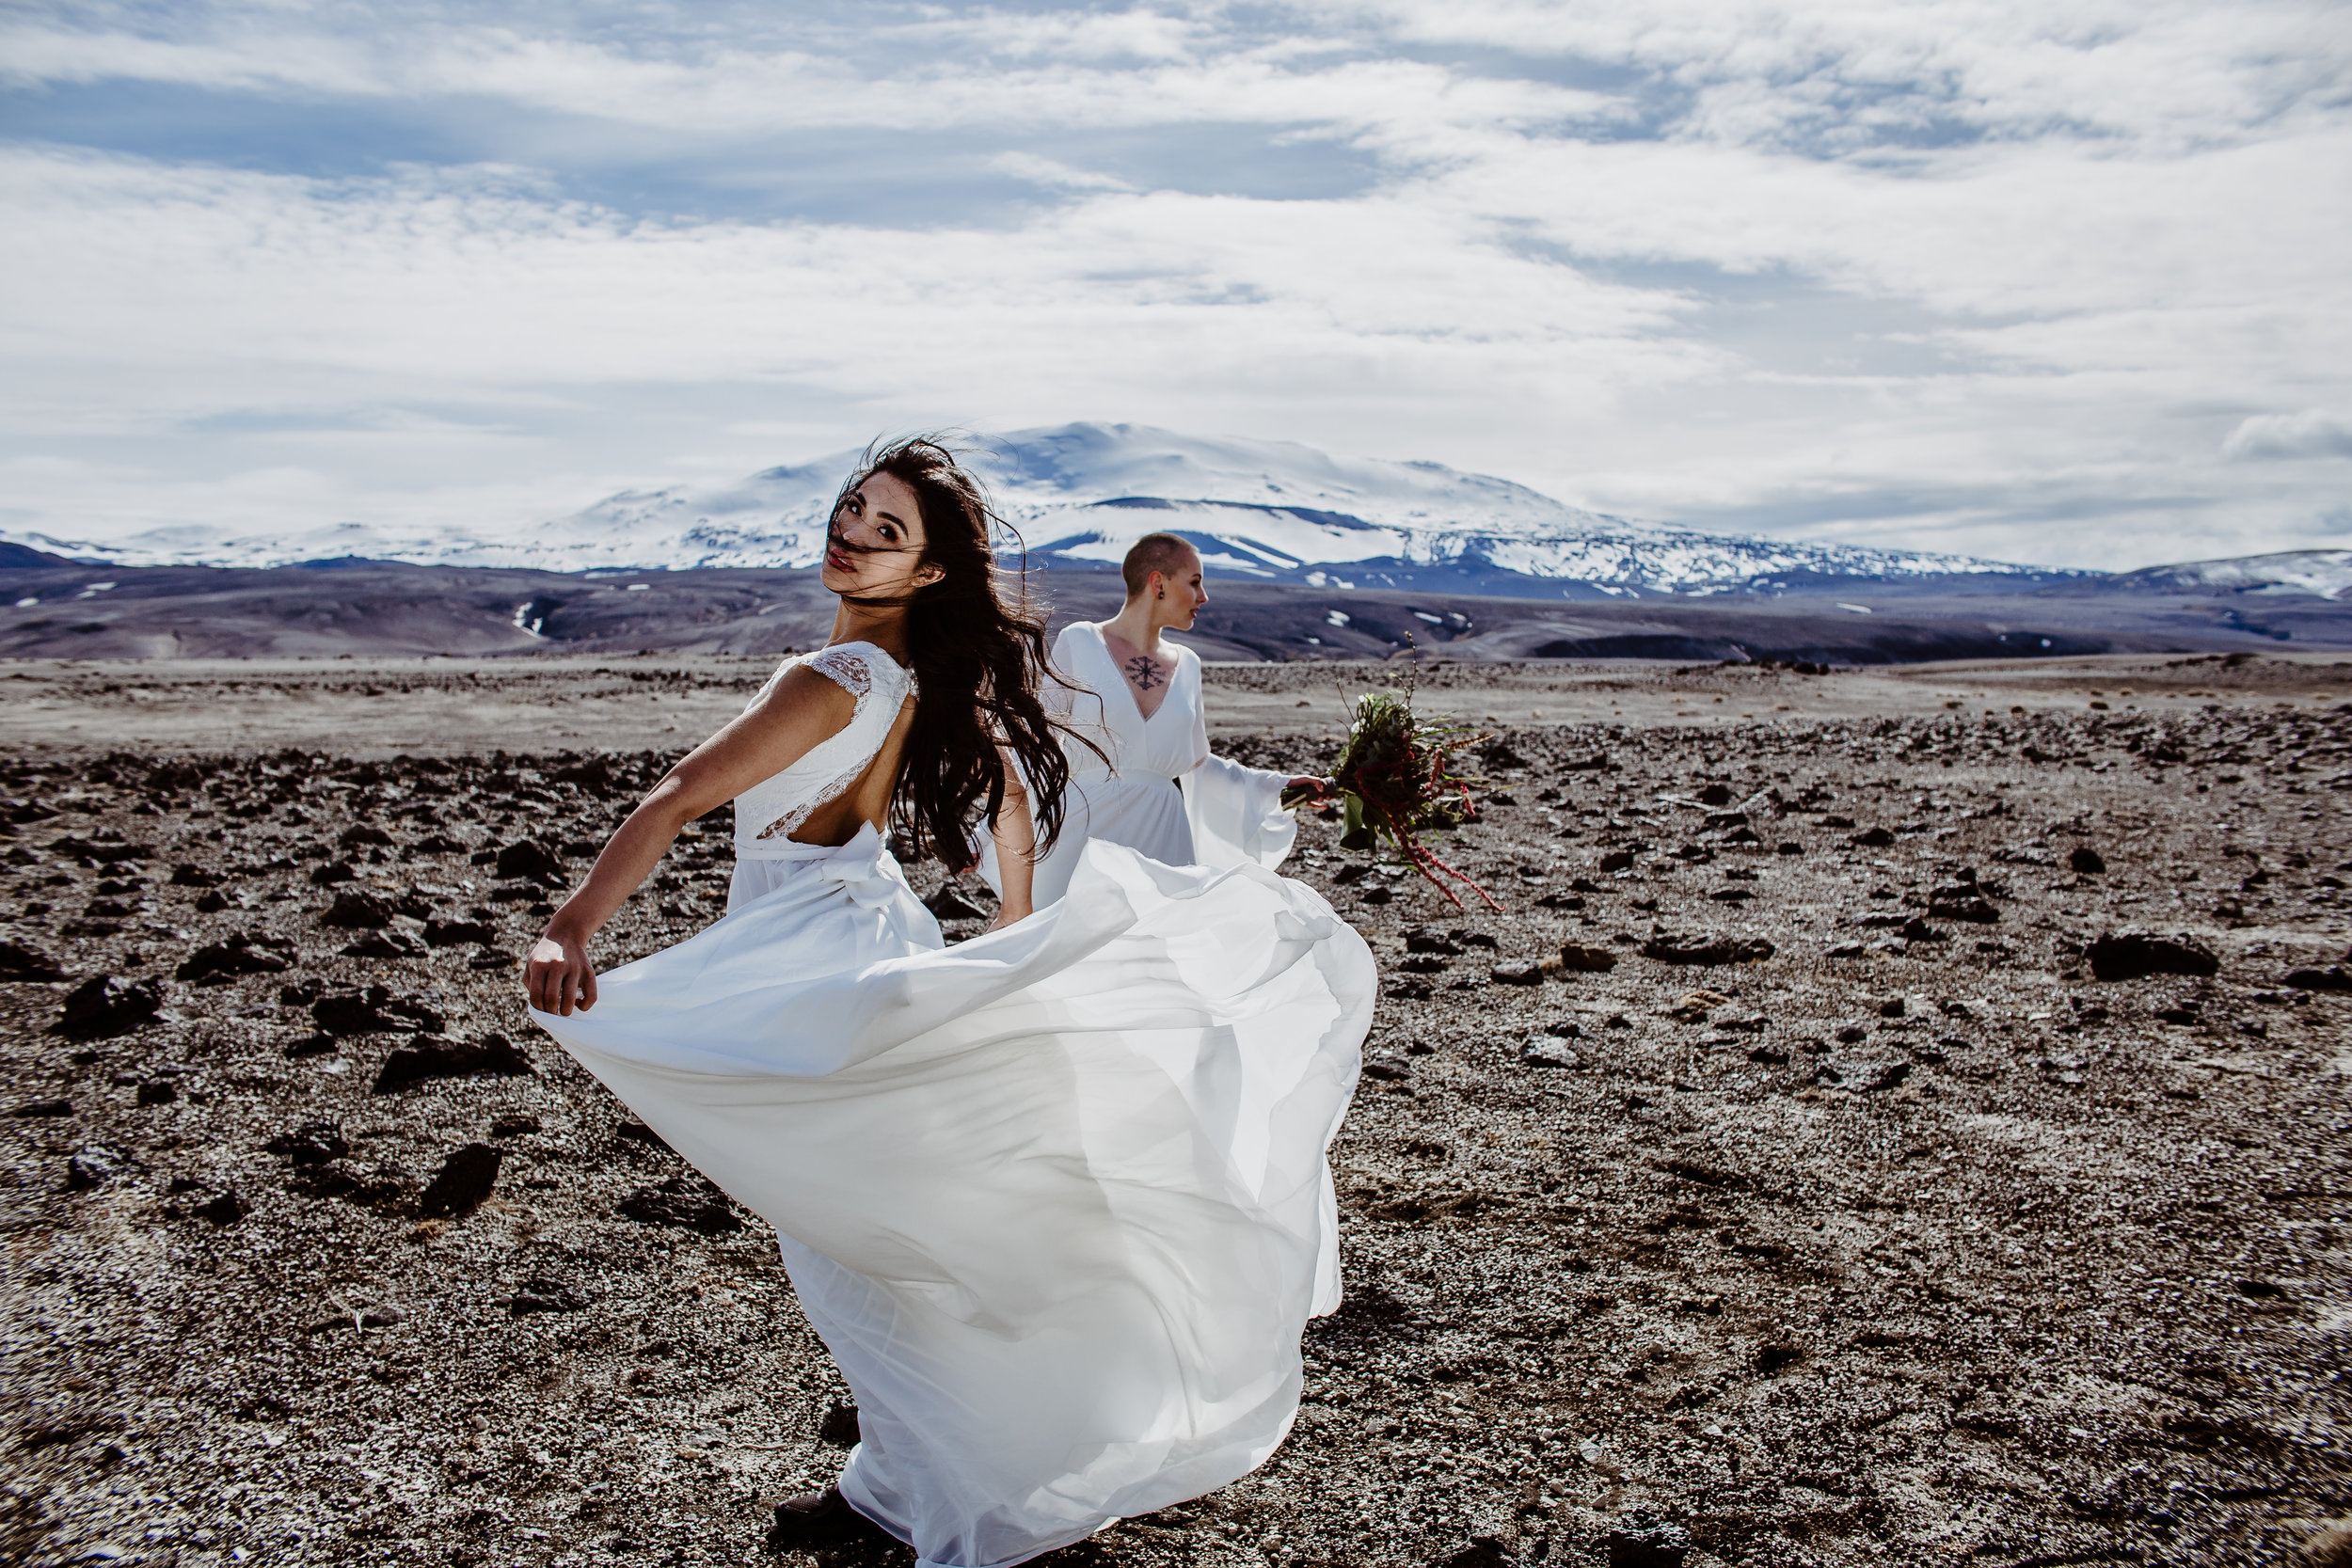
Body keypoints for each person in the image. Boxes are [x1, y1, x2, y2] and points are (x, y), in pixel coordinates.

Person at [523, 439, 1375, 1568]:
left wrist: (573, 922)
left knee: (859, 1246)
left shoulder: (828, 678)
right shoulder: (906, 678)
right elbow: (1012, 796)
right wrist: (1018, 932)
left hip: (809, 964)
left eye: (888, 531)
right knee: (885, 1236)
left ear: (926, 573)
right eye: (852, 511)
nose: (853, 535)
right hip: (860, 932)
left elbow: (680, 794)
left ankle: (966, 1479)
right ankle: (895, 1476)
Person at [979, 532, 1329, 909]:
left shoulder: (1189, 664)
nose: (1204, 597)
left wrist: (1278, 786)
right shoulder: (1080, 641)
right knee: (1074, 951)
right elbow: (1037, 743)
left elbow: (1200, 767)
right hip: (1086, 835)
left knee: (1158, 955)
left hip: (1164, 840)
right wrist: (987, 829)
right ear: (1157, 582)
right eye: (1194, 582)